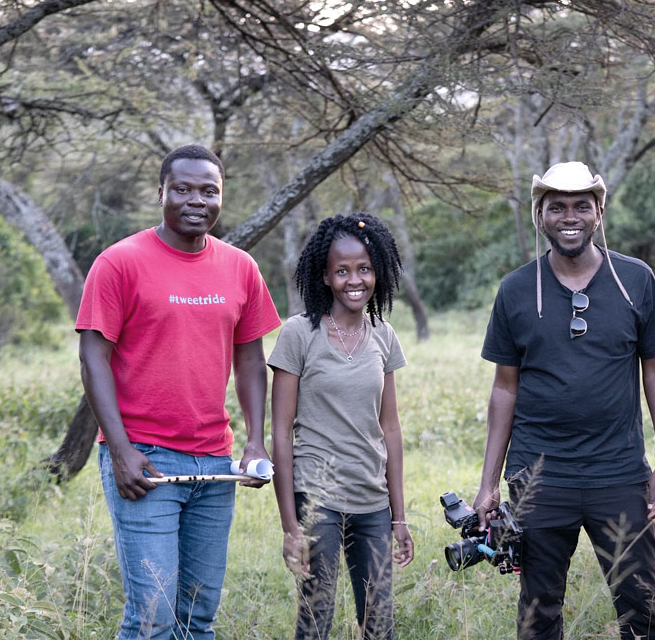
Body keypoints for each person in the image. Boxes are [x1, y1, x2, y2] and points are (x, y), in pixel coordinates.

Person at [76, 144, 283, 639]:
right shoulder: (119, 262)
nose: (197, 200)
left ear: (221, 196)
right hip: (144, 461)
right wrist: (120, 450)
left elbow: (251, 359)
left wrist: (255, 441)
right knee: (153, 615)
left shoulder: (240, 267)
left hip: (215, 461)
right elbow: (92, 357)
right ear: (162, 193)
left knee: (198, 614)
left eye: (209, 190)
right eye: (183, 188)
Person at [472, 161, 655, 640]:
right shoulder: (516, 289)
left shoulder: (636, 279)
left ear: (599, 212)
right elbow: (505, 387)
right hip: (539, 477)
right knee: (539, 612)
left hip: (620, 473)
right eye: (557, 207)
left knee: (643, 608)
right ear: (539, 215)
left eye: (581, 206)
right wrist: (488, 485)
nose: (570, 216)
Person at [268, 213, 415, 640]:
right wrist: (290, 526)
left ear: (378, 273)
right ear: (326, 277)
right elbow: (280, 433)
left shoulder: (383, 336)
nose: (356, 280)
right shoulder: (299, 334)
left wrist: (399, 517)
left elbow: (391, 429)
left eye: (365, 269)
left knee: (379, 622)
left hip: (372, 499)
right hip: (318, 497)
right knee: (316, 620)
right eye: (343, 271)